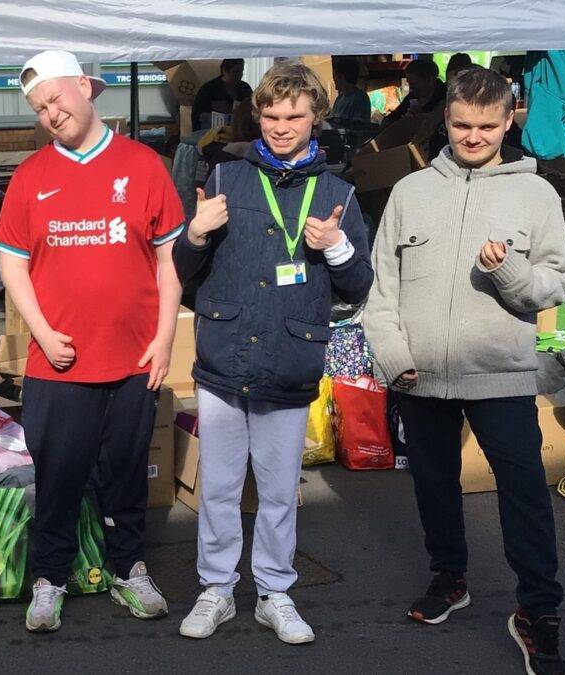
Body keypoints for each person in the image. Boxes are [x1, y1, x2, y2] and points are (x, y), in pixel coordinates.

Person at [364, 67, 565, 675]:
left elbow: (554, 283)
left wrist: (508, 271)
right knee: (433, 485)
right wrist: (396, 360)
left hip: (500, 376)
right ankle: (449, 577)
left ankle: (539, 612)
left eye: (487, 125)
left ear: (510, 121)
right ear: (445, 121)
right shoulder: (410, 193)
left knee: (526, 496)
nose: (473, 136)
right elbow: (383, 290)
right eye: (461, 125)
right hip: (419, 376)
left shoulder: (535, 194)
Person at [173, 62, 373, 643]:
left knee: (281, 489)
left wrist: (336, 249)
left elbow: (359, 287)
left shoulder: (337, 194)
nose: (281, 126)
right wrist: (195, 234)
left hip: (290, 357)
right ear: (256, 116)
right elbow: (182, 275)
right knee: (217, 486)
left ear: (316, 119)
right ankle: (215, 588)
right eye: (271, 115)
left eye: (294, 116)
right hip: (224, 357)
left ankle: (274, 592)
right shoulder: (226, 178)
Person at [0, 49, 184, 633]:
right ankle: (49, 578)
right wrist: (44, 333)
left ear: (84, 86)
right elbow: (12, 265)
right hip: (58, 363)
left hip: (131, 358)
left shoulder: (143, 164)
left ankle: (129, 568)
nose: (51, 113)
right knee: (58, 476)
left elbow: (168, 258)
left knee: (126, 474)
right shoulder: (31, 177)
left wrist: (165, 335)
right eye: (39, 108)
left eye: (56, 98)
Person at [382, 58, 446, 127]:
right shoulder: (412, 96)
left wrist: (421, 117)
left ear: (430, 80)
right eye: (409, 84)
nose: (411, 88)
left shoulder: (445, 96)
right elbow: (393, 117)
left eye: (414, 84)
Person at [192, 58, 248, 132]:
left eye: (241, 71)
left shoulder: (245, 88)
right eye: (235, 72)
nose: (239, 75)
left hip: (239, 132)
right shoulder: (209, 89)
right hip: (212, 132)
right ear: (224, 70)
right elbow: (197, 115)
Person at [330, 57, 372, 126]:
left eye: (335, 76)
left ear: (342, 77)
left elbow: (358, 127)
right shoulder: (339, 98)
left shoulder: (360, 99)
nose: (334, 79)